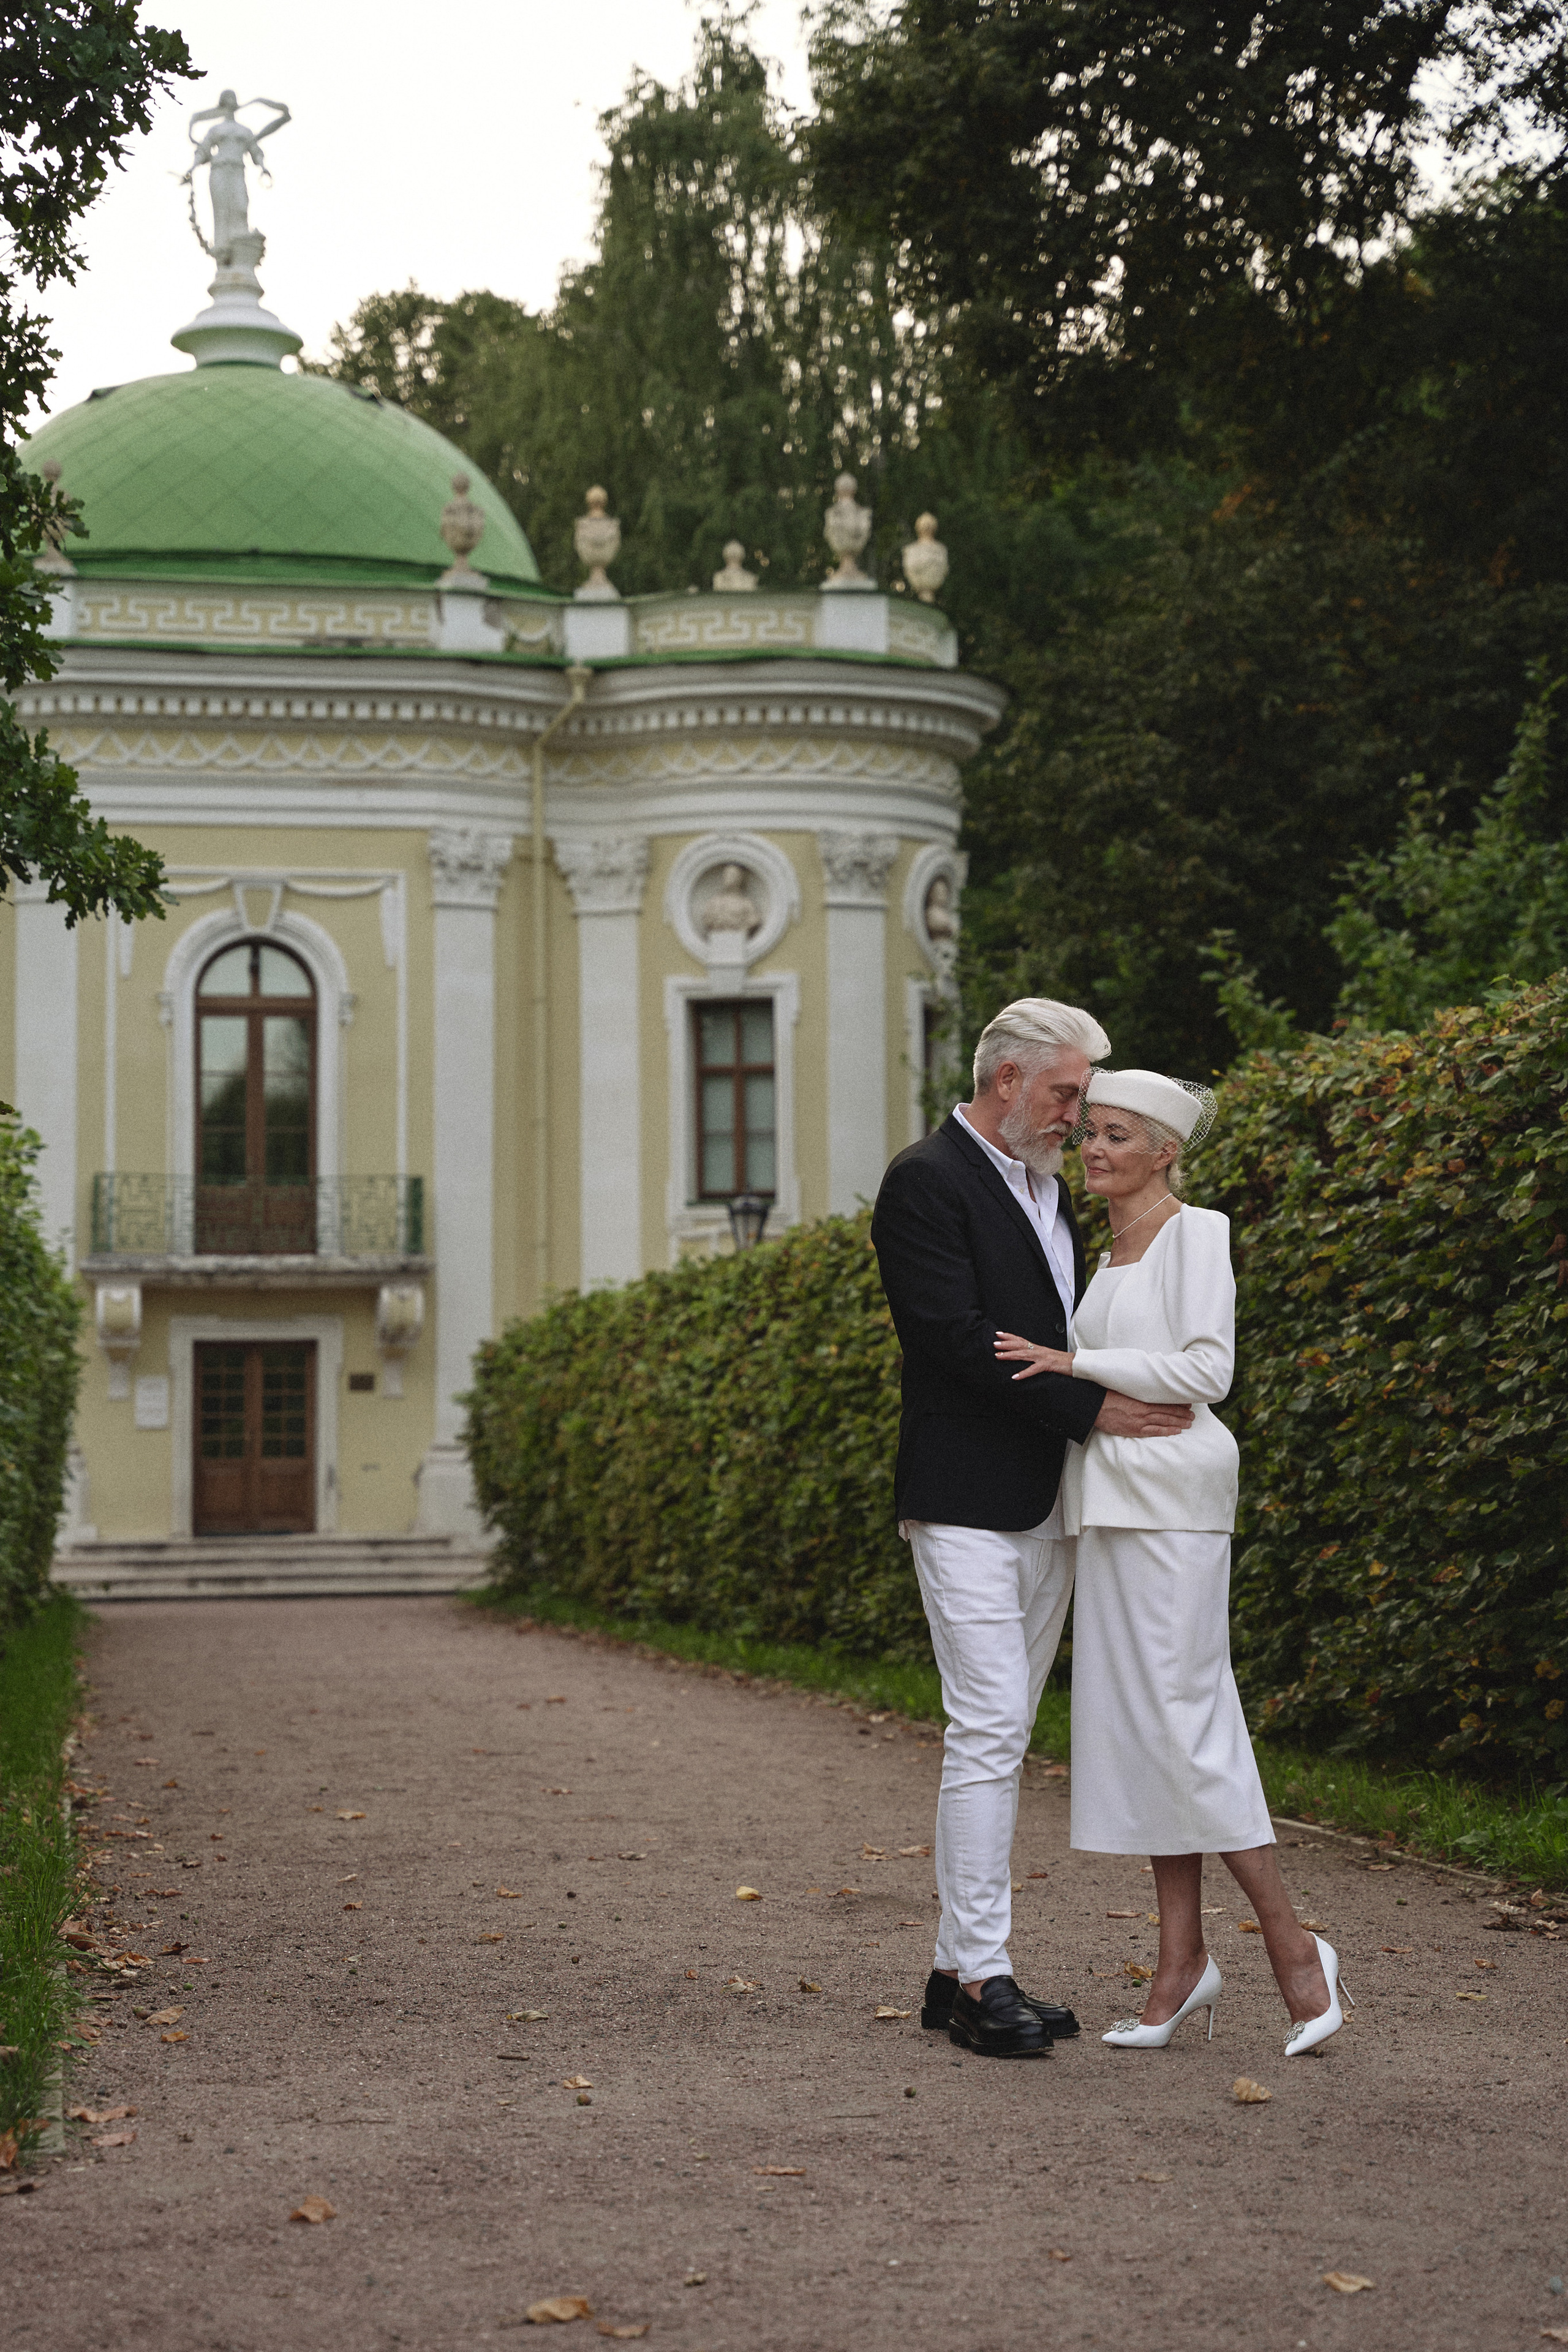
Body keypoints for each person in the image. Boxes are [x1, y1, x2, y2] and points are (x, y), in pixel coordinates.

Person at [994, 1069, 1350, 2056]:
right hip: (1107, 1505)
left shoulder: (1200, 1233)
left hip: (1177, 1505)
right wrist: (1083, 1372)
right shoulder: (1095, 1256)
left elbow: (1208, 1370)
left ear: (1166, 1152)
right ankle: (1181, 1962)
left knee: (1187, 1720)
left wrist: (1076, 1364)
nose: (1096, 1149)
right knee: (1149, 1729)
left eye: (1118, 1136)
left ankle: (1295, 1950)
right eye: (1091, 1134)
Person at [871, 1001, 1198, 2059]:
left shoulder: (1055, 1194)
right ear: (1008, 1082)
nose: (1080, 1113)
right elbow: (960, 1342)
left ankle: (949, 1970)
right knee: (990, 1727)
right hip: (963, 1498)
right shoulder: (926, 1181)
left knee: (1001, 1737)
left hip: (1053, 1501)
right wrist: (1098, 1409)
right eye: (1067, 1094)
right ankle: (982, 1980)